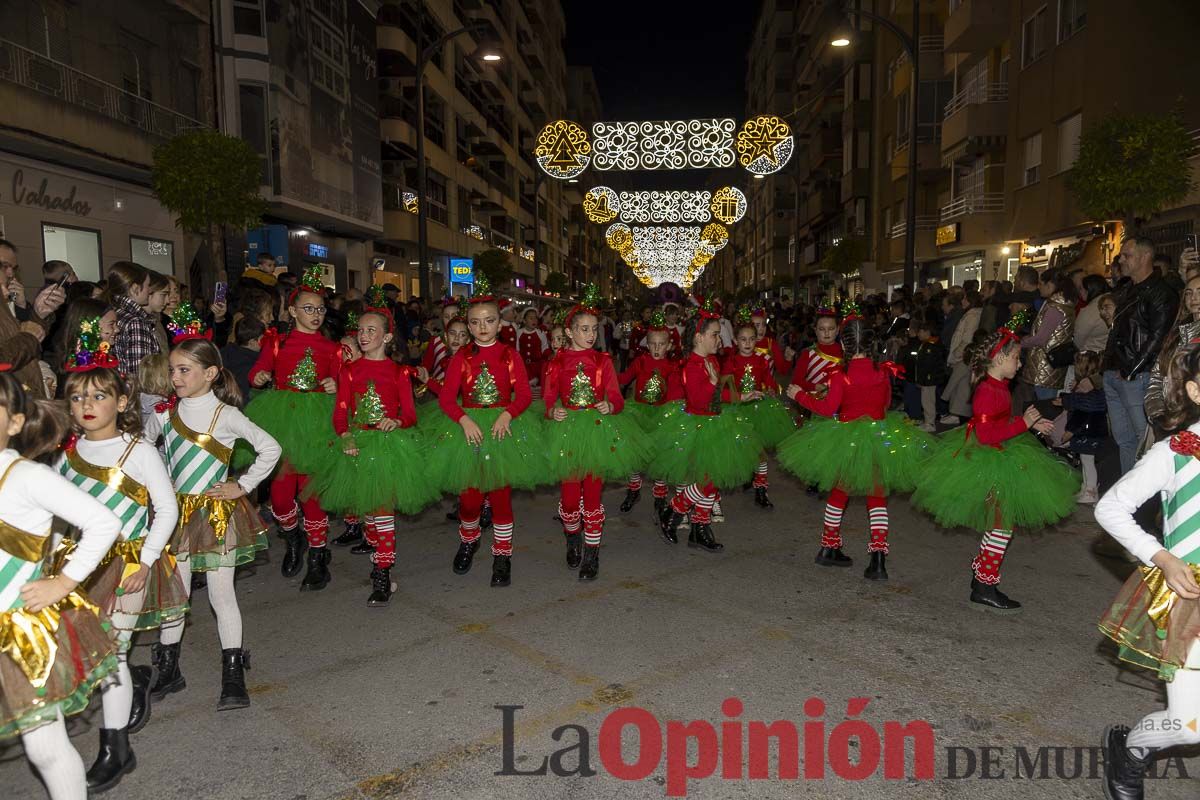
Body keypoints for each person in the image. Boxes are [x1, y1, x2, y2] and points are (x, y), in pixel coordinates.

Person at [57, 346, 184, 791]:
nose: (86, 406)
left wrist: (146, 561)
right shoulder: (66, 455)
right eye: (76, 398)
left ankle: (115, 749)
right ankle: (136, 682)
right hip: (80, 567)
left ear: (123, 402)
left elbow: (166, 511)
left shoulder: (139, 451)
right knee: (86, 649)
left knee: (112, 652)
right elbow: (58, 517)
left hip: (128, 563)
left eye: (97, 396)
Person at [0, 369, 124, 800]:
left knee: (44, 747)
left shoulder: (24, 476)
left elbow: (103, 521)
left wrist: (63, 582)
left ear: (15, 423)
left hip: (20, 634)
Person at [144, 322, 280, 711]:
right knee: (177, 595)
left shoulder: (225, 415)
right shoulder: (164, 415)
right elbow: (140, 450)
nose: (175, 377)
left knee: (222, 594)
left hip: (217, 515)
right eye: (172, 369)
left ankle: (233, 674)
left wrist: (242, 485)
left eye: (184, 370)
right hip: (177, 517)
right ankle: (169, 669)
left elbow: (269, 448)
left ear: (211, 373)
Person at [910, 321, 1078, 610]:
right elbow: (986, 435)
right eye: (1016, 357)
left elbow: (999, 423)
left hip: (1003, 456)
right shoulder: (989, 390)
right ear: (999, 359)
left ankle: (982, 578)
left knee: (1001, 524)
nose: (1020, 362)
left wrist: (1030, 423)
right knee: (1001, 526)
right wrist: (1022, 424)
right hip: (990, 461)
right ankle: (985, 584)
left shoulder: (998, 386)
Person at [1095, 343, 1200, 800]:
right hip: (1190, 598)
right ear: (1195, 389)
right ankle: (1130, 752)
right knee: (1189, 724)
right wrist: (1161, 556)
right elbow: (1111, 507)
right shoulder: (1175, 452)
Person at [305, 288, 437, 605]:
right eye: (361, 330)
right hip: (358, 445)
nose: (363, 336)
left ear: (387, 338)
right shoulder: (349, 371)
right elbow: (340, 411)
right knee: (368, 515)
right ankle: (378, 561)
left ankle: (382, 574)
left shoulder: (399, 372)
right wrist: (345, 435)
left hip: (390, 446)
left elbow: (409, 413)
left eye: (371, 331)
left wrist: (398, 422)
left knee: (382, 512)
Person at [780, 309, 935, 579]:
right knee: (877, 498)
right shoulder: (881, 372)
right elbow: (886, 404)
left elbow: (828, 408)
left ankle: (828, 547)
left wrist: (800, 395)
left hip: (848, 440)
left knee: (839, 492)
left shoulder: (841, 374)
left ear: (844, 345)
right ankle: (878, 560)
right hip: (878, 437)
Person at [425, 273, 545, 587]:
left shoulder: (510, 355)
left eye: (489, 321)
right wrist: (464, 420)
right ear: (468, 324)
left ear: (499, 323)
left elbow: (522, 397)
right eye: (476, 322)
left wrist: (507, 414)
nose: (482, 327)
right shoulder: (461, 358)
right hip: (468, 429)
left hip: (502, 431)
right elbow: (448, 399)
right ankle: (469, 539)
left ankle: (502, 555)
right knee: (469, 499)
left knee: (501, 497)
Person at [245, 266, 342, 588]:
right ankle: (293, 538)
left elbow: (344, 380)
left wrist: (334, 383)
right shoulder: (276, 341)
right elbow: (259, 369)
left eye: (320, 309)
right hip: (283, 419)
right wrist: (257, 376)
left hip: (317, 421)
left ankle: (317, 557)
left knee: (312, 495)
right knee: (282, 497)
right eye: (308, 308)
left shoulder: (332, 348)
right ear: (291, 310)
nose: (315, 315)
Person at [542, 285, 646, 580]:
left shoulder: (603, 361)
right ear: (570, 331)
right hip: (568, 431)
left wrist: (609, 405)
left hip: (597, 431)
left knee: (592, 495)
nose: (590, 335)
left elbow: (617, 397)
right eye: (584, 329)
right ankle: (572, 536)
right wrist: (553, 411)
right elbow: (549, 399)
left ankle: (592, 552)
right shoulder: (557, 362)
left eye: (593, 329)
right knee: (570, 496)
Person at [650, 301, 762, 553]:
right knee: (708, 478)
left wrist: (740, 397)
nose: (719, 338)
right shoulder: (690, 364)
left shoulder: (712, 360)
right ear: (699, 337)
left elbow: (716, 396)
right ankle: (675, 509)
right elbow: (699, 399)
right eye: (714, 334)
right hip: (698, 425)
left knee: (713, 478)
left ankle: (699, 528)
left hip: (715, 421)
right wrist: (712, 383)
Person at [1106, 237, 1180, 474]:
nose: (1121, 260)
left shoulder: (1161, 292)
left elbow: (1158, 338)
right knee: (1124, 441)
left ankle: (1147, 502)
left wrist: (1132, 370)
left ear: (1145, 256)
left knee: (1144, 441)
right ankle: (1127, 495)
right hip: (1117, 373)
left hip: (1136, 377)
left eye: (1126, 255)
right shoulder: (1127, 289)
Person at [722, 307, 796, 508]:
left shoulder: (761, 360)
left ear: (756, 341)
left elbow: (768, 379)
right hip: (738, 408)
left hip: (760, 408)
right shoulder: (732, 361)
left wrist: (771, 389)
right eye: (743, 340)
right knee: (745, 446)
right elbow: (725, 385)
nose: (747, 343)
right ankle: (748, 476)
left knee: (761, 450)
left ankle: (761, 489)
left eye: (752, 339)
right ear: (736, 341)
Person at [617, 310, 679, 517]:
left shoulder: (671, 367)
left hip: (661, 414)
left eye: (661, 344)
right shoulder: (641, 361)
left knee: (658, 455)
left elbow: (673, 394)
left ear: (669, 346)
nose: (656, 348)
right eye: (652, 343)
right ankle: (633, 490)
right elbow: (624, 378)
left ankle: (660, 496)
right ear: (647, 343)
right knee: (636, 454)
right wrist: (605, 372)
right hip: (639, 413)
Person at [0, 239, 64, 398]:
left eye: (13, 268)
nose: (11, 274)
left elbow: (20, 335)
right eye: (4, 266)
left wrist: (38, 312)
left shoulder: (7, 298)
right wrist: (28, 337)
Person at [1019, 268, 1078, 401]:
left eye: (1041, 284)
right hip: (1050, 367)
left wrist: (1019, 343)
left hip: (1045, 369)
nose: (1038, 288)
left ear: (1050, 285)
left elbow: (1041, 339)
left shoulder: (1055, 308)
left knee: (1044, 410)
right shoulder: (1065, 305)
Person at [105, 261, 158, 376]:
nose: (150, 291)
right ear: (135, 288)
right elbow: (141, 373)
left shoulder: (114, 312)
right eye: (148, 286)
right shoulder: (136, 322)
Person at [941, 291, 984, 426]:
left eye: (965, 298)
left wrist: (956, 354)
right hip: (962, 354)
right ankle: (956, 413)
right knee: (960, 386)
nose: (962, 301)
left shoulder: (973, 316)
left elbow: (966, 338)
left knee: (961, 386)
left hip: (963, 355)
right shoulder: (970, 314)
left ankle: (958, 414)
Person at [1075, 274, 1113, 356]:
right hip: (1112, 355)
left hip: (1091, 358)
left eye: (1081, 289)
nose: (1080, 292)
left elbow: (1077, 341)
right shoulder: (1116, 301)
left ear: (1089, 289)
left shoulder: (1089, 311)